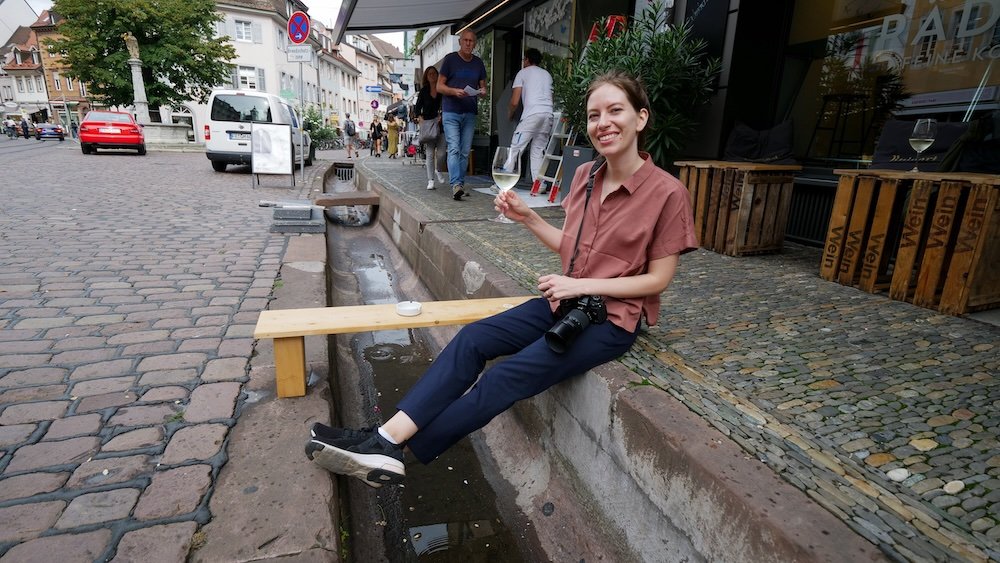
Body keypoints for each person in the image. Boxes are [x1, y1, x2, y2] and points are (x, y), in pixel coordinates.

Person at [305, 71, 698, 488]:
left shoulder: (668, 193)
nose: (603, 123)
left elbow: (657, 280)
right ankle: (383, 437)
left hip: (612, 320)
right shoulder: (584, 178)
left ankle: (394, 449)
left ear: (641, 118)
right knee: (473, 339)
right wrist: (528, 218)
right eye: (593, 114)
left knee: (504, 377)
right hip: (565, 302)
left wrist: (582, 286)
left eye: (615, 111)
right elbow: (574, 248)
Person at [438, 29, 487, 201]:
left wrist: (481, 92)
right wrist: (453, 91)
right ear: (460, 42)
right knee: (454, 148)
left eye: (471, 41)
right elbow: (439, 86)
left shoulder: (478, 63)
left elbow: (483, 87)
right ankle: (455, 185)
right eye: (465, 40)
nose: (468, 43)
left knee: (465, 151)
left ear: (475, 43)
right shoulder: (450, 60)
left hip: (470, 112)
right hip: (451, 110)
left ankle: (459, 183)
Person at [508, 48, 554, 184]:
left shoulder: (522, 73)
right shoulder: (547, 75)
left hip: (532, 115)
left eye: (524, 59)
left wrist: (510, 113)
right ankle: (539, 185)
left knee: (516, 148)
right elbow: (551, 97)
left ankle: (503, 182)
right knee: (537, 151)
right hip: (548, 114)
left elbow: (515, 101)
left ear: (527, 59)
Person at [413, 66, 447, 190]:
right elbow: (417, 108)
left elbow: (447, 105)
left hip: (441, 124)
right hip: (428, 125)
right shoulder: (424, 91)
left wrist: (442, 116)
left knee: (442, 153)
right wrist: (420, 119)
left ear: (438, 75)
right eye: (429, 74)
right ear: (426, 77)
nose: (432, 75)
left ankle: (439, 170)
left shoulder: (442, 90)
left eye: (434, 73)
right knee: (430, 154)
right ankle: (430, 180)